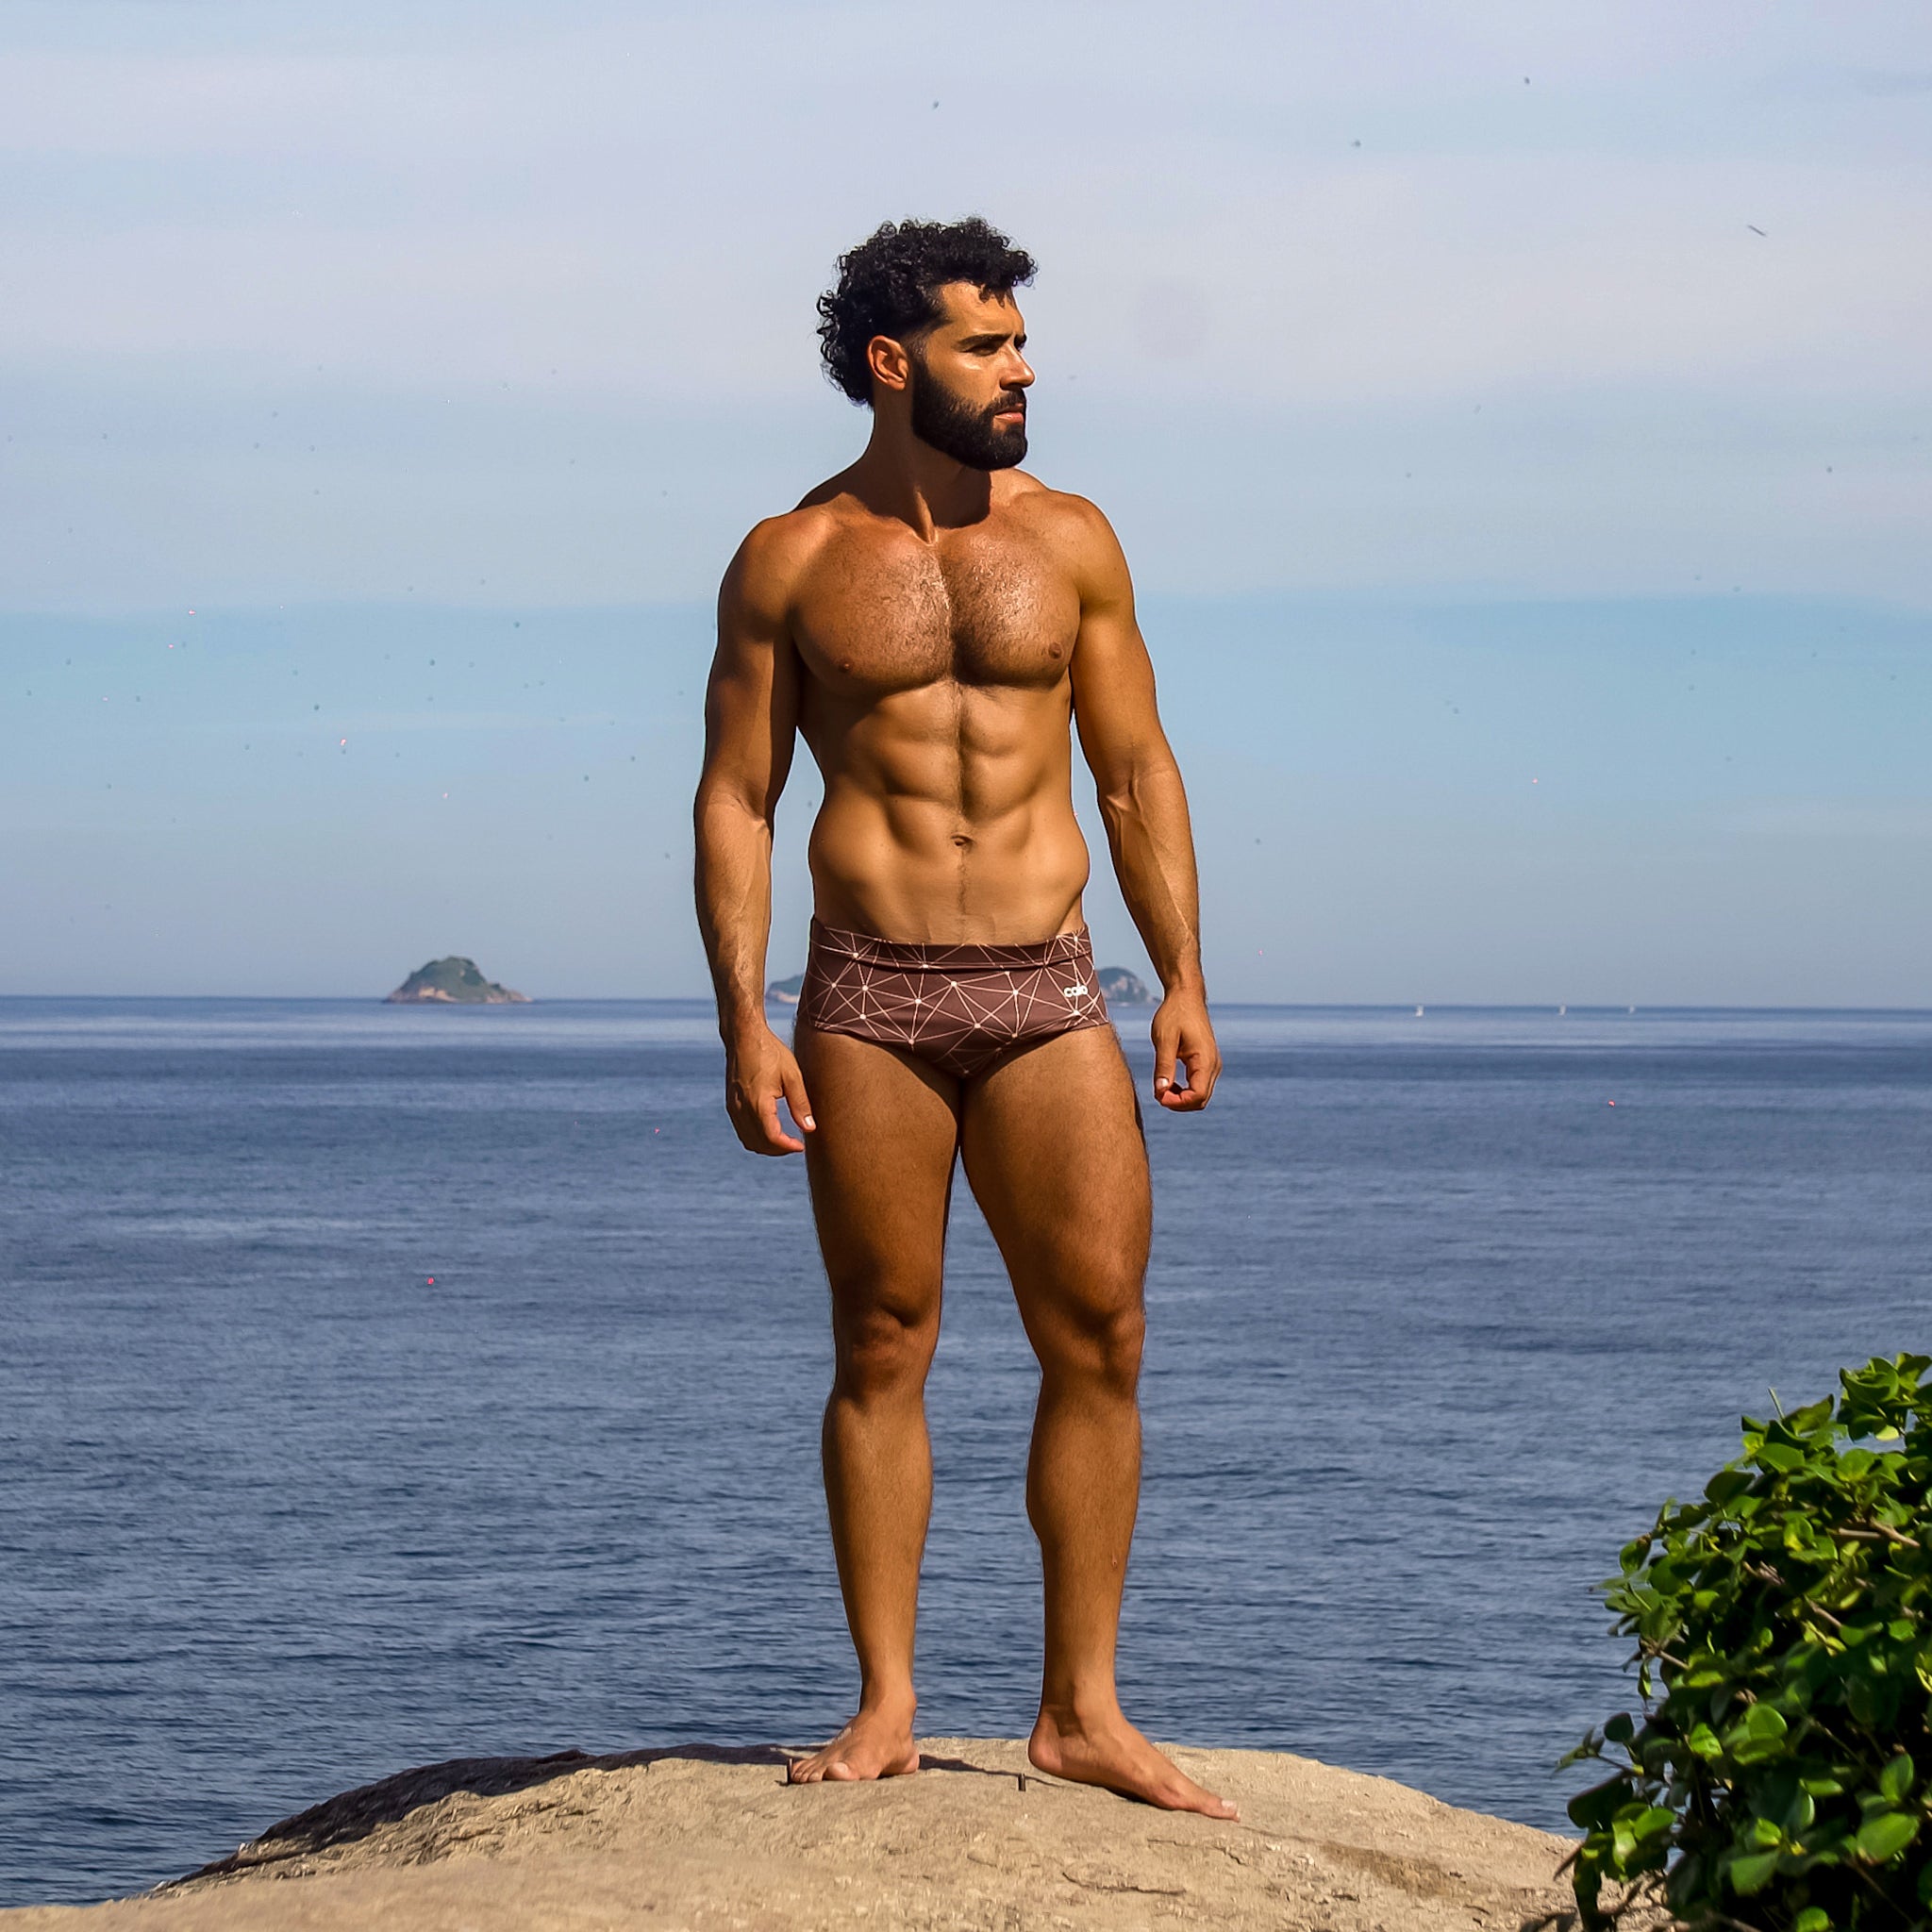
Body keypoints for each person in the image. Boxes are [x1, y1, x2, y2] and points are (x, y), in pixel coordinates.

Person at [693, 217, 1231, 1819]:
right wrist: (743, 1014)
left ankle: (1082, 1711)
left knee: (1105, 1338)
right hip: (868, 996)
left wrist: (1185, 971)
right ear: (891, 363)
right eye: (987, 347)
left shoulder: (1072, 539)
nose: (1023, 370)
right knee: (883, 1341)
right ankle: (886, 1704)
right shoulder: (789, 561)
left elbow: (1134, 772)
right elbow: (737, 796)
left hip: (1048, 985)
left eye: (1019, 343)